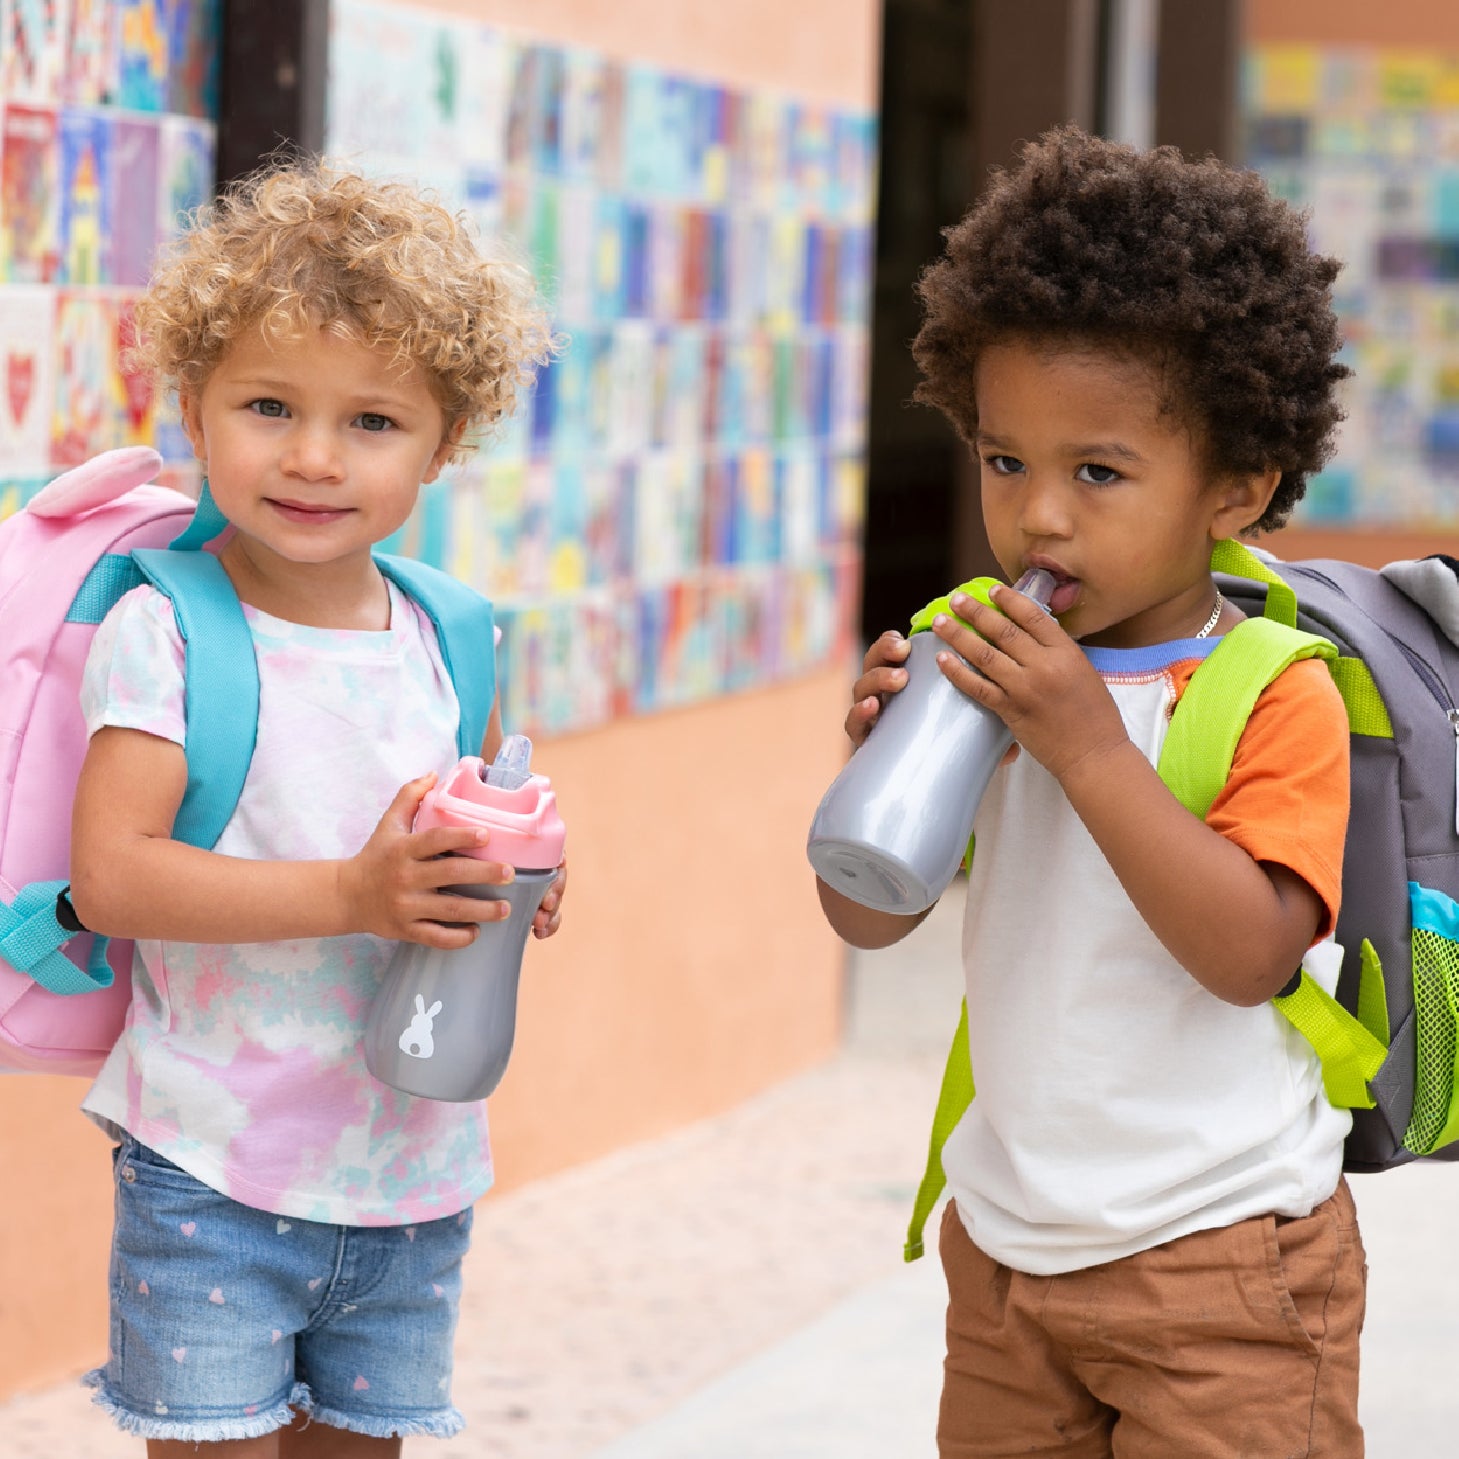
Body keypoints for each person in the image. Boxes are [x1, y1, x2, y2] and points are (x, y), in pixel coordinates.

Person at [816, 126, 1364, 1457]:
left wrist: (1086, 747)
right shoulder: (977, 655)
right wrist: (880, 788)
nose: (1040, 518)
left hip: (1224, 1264)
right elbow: (870, 925)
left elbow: (1250, 955)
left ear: (1237, 487)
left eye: (1098, 473)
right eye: (1007, 462)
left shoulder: (1272, 687)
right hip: (1007, 1258)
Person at [67, 161, 561, 1457]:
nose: (312, 457)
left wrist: (515, 883)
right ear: (195, 405)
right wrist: (355, 893)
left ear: (446, 442)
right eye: (270, 405)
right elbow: (115, 876)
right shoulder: (169, 628)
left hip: (410, 1171)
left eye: (373, 423)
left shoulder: (451, 633)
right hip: (213, 1173)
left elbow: (453, 841)